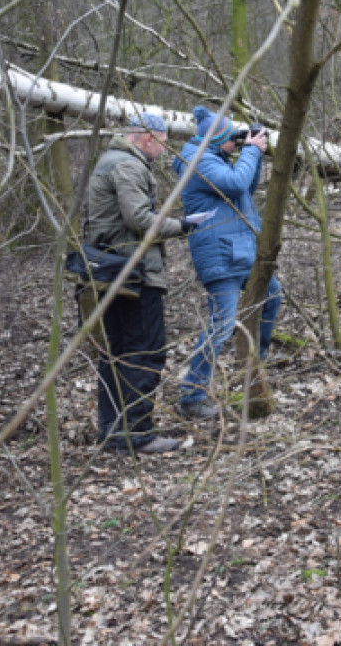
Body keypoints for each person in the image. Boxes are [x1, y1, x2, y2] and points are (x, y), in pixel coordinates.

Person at [83, 113, 191, 453]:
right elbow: (140, 219)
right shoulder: (127, 166)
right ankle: (138, 433)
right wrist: (183, 226)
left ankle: (113, 431)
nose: (163, 150)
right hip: (133, 273)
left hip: (110, 272)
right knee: (144, 352)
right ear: (148, 139)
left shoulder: (108, 161)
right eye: (162, 143)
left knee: (115, 352)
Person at [173, 106, 282, 420]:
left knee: (271, 298)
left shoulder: (216, 159)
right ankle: (192, 396)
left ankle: (251, 373)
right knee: (221, 326)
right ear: (218, 138)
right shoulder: (198, 161)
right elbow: (234, 184)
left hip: (241, 251)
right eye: (232, 138)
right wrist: (249, 148)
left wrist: (255, 154)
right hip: (221, 255)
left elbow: (244, 188)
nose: (236, 143)